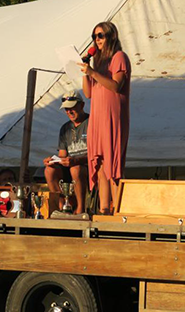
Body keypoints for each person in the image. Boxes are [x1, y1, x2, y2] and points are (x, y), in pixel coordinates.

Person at [80, 21, 131, 215]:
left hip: (113, 116)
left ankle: (118, 209)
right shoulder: (98, 62)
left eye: (100, 35)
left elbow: (116, 86)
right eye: (94, 36)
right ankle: (103, 208)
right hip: (98, 115)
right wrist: (86, 72)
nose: (96, 40)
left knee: (114, 164)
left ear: (111, 36)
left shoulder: (120, 57)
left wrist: (92, 72)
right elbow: (88, 93)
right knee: (99, 163)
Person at [43, 90, 89, 214]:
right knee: (49, 170)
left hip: (88, 168)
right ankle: (61, 205)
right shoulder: (65, 128)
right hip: (70, 167)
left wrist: (76, 160)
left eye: (72, 108)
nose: (69, 112)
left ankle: (80, 208)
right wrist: (53, 161)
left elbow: (98, 153)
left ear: (81, 105)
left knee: (76, 169)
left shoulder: (92, 122)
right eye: (66, 109)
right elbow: (62, 155)